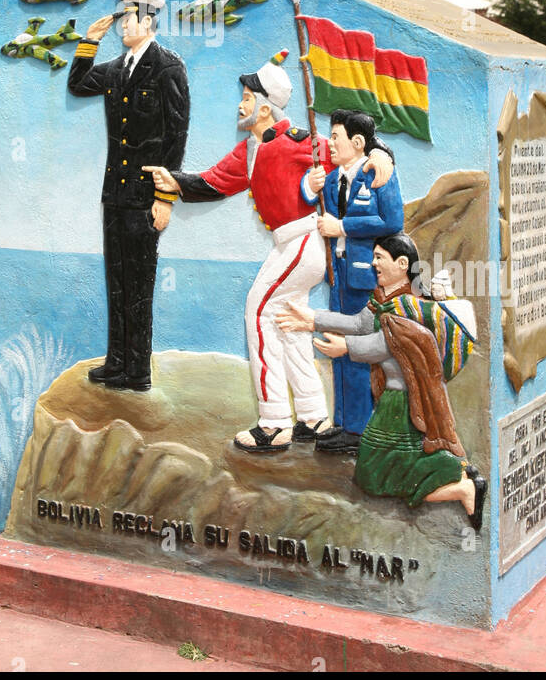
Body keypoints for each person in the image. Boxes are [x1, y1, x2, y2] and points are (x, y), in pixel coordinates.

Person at [145, 56, 396, 453]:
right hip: (288, 245)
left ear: (265, 107)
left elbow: (350, 152)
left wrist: (381, 152)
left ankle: (275, 421)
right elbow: (214, 181)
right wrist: (174, 181)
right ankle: (313, 417)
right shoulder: (248, 151)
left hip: (303, 242)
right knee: (286, 322)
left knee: (258, 310)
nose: (240, 106)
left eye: (246, 98)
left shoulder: (299, 141)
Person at [277, 232, 486, 529]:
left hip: (403, 401)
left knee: (377, 473)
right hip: (392, 399)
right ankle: (459, 474)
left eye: (379, 258)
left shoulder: (409, 306)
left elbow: (389, 343)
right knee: (378, 469)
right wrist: (312, 319)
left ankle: (461, 486)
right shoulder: (383, 300)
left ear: (402, 264)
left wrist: (347, 348)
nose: (372, 263)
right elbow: (358, 323)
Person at [67, 0, 189, 391]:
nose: (122, 26)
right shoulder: (117, 68)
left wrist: (164, 197)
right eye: (120, 20)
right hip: (115, 195)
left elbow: (176, 136)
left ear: (150, 20)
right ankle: (117, 362)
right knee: (117, 281)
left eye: (129, 18)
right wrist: (90, 41)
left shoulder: (169, 67)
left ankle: (138, 370)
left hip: (144, 197)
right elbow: (79, 83)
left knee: (140, 285)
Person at [312, 109, 404, 454]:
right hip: (338, 275)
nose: (330, 143)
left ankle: (361, 429)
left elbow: (393, 220)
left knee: (359, 352)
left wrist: (344, 228)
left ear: (357, 142)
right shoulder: (334, 178)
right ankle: (344, 423)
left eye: (335, 137)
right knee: (338, 346)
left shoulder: (376, 173)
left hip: (366, 277)